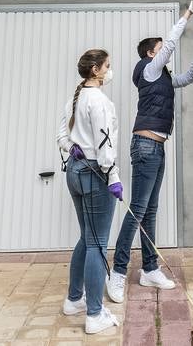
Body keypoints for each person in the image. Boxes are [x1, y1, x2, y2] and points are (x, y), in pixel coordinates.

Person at [107, 3, 193, 302]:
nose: (164, 52)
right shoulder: (149, 70)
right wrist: (187, 15)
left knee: (150, 211)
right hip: (145, 146)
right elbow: (171, 43)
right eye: (159, 49)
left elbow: (185, 79)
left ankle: (149, 269)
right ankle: (118, 272)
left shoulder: (162, 79)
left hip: (157, 148)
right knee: (137, 210)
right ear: (152, 54)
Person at [57, 49, 123, 335]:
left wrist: (71, 146)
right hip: (95, 172)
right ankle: (94, 314)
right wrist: (113, 176)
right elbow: (104, 144)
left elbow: (61, 134)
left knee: (87, 237)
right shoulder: (98, 101)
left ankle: (74, 300)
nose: (110, 70)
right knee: (98, 243)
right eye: (107, 66)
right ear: (95, 70)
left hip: (75, 170)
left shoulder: (77, 96)